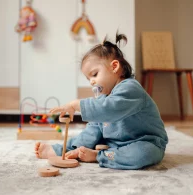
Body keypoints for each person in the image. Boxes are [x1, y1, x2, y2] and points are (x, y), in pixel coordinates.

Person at [34, 32, 168, 170]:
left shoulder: (131, 88)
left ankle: (100, 156)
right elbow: (96, 126)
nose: (92, 82)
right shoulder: (104, 96)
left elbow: (108, 109)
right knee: (91, 132)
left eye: (94, 74)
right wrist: (80, 144)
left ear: (114, 67)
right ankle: (62, 150)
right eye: (88, 79)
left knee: (143, 154)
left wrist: (75, 105)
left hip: (144, 141)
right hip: (114, 143)